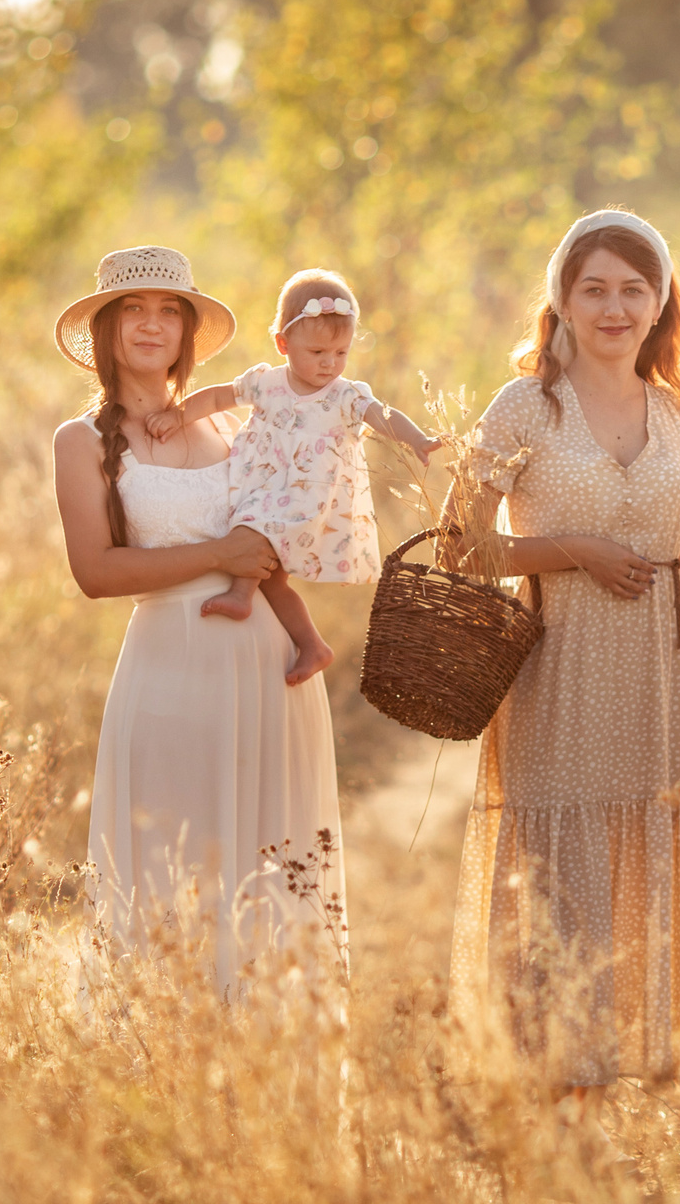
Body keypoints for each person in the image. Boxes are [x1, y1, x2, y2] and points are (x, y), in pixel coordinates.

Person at [447, 209, 680, 1094]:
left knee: (647, 860)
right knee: (556, 866)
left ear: (658, 304)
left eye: (633, 290)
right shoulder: (523, 406)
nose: (615, 307)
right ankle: (553, 1079)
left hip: (661, 671)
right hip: (555, 668)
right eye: (595, 289)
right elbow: (459, 547)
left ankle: (638, 1064)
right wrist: (573, 550)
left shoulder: (679, 414)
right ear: (562, 301)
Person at [49, 245, 349, 994]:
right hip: (169, 673)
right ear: (105, 329)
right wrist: (221, 551)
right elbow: (97, 572)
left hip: (267, 675)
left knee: (272, 869)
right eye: (133, 310)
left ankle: (269, 1073)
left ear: (187, 332)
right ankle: (168, 1065)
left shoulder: (236, 426)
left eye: (168, 312)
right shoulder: (79, 442)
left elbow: (282, 527)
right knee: (173, 862)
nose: (152, 325)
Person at [149, 269, 441, 686]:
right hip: (263, 485)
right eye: (318, 351)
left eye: (341, 353)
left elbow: (381, 415)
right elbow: (217, 396)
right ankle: (312, 646)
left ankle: (239, 594)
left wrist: (417, 438)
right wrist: (178, 415)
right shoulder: (267, 383)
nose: (330, 363)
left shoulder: (344, 395)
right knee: (273, 578)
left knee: (257, 531)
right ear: (283, 344)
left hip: (303, 496)